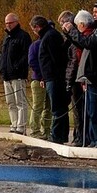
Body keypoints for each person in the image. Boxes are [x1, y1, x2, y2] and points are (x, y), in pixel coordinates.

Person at [61, 0, 97, 148]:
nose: (94, 15)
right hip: (92, 74)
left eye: (96, 12)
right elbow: (83, 44)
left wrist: (72, 31)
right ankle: (95, 140)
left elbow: (89, 43)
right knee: (91, 110)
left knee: (94, 110)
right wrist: (69, 34)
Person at [30, 16, 70, 144]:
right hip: (51, 77)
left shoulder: (50, 36)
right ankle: (60, 135)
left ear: (37, 27)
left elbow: (57, 58)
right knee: (58, 107)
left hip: (55, 77)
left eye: (33, 29)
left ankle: (57, 135)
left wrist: (54, 75)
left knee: (57, 108)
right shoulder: (48, 35)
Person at [0, 13, 32, 135]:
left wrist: (18, 67)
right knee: (10, 102)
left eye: (10, 23)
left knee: (20, 102)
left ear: (16, 22)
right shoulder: (6, 38)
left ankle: (21, 126)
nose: (8, 25)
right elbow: (3, 55)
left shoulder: (23, 36)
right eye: (6, 23)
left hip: (18, 75)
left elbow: (26, 55)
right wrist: (1, 68)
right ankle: (13, 124)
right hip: (6, 75)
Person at [60, 10, 86, 146]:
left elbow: (73, 62)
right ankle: (78, 135)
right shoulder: (71, 39)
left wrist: (69, 80)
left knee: (78, 110)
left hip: (76, 77)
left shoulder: (76, 39)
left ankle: (80, 137)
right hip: (74, 76)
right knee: (77, 110)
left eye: (63, 24)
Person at [27, 33, 51, 138]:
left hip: (50, 79)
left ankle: (46, 130)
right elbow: (32, 62)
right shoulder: (35, 45)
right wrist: (42, 76)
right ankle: (34, 130)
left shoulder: (51, 45)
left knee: (48, 107)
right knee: (38, 106)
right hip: (38, 79)